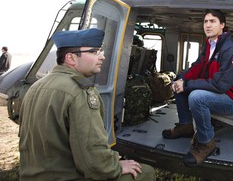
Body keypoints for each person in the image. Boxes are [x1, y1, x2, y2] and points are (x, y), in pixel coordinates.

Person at [19, 28, 155, 181]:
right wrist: (115, 167)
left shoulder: (36, 87)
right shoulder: (79, 91)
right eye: (94, 51)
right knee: (146, 173)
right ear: (71, 58)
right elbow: (92, 157)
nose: (102, 56)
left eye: (101, 51)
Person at [162, 9, 233, 167]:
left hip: (232, 99)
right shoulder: (209, 44)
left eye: (212, 21)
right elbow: (198, 67)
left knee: (196, 97)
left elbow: (220, 85)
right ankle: (186, 125)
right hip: (218, 92)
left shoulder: (231, 49)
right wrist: (182, 79)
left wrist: (187, 84)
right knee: (179, 82)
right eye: (205, 21)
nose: (207, 25)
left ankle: (206, 141)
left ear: (222, 25)